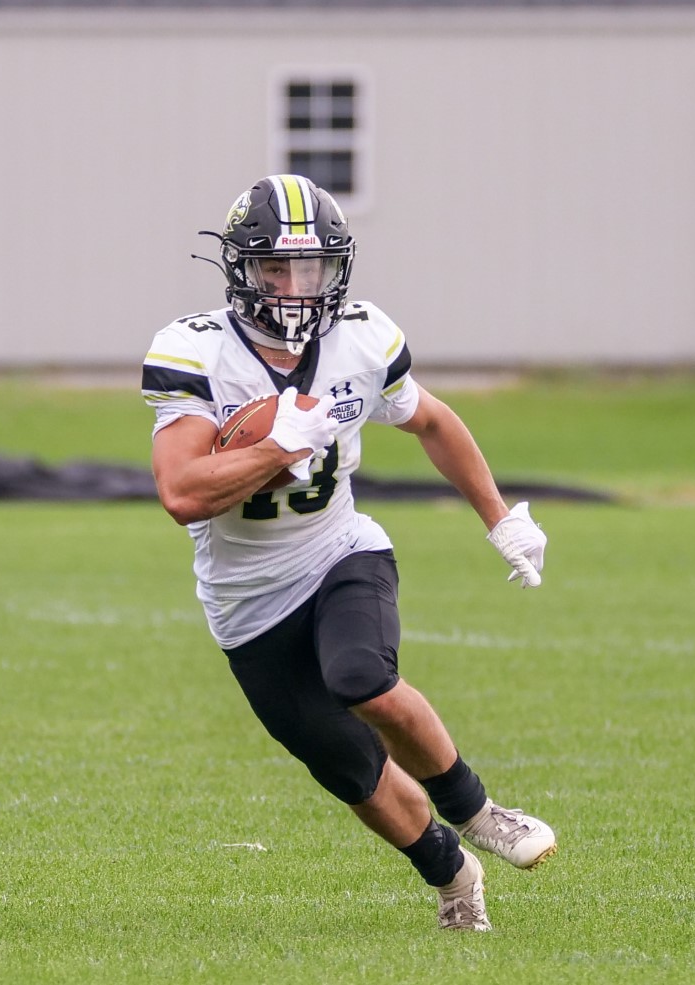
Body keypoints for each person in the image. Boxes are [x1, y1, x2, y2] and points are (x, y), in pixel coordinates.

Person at [140, 173, 555, 932]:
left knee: (361, 674)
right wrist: (277, 446)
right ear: (241, 269)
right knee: (352, 771)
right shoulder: (194, 352)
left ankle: (478, 808)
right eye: (277, 268)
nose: (298, 288)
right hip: (247, 604)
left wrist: (498, 517)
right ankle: (453, 875)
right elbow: (182, 494)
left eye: (314, 268)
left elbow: (430, 420)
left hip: (340, 552)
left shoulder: (362, 338)